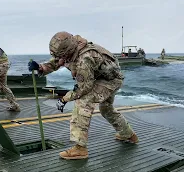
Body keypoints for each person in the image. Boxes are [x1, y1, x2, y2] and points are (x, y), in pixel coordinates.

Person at [28, 31, 138, 160]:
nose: (60, 57)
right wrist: (41, 68)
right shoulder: (72, 48)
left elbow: (83, 88)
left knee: (83, 102)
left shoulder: (84, 58)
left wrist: (64, 99)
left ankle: (80, 148)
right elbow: (58, 61)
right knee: (106, 108)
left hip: (109, 81)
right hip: (102, 78)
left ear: (68, 50)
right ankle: (128, 134)